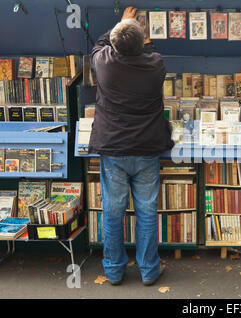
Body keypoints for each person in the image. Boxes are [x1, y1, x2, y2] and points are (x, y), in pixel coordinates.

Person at [89, 6, 174, 286]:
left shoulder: (103, 63)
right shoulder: (156, 64)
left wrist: (122, 22)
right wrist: (136, 31)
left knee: (113, 212)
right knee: (147, 212)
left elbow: (101, 44)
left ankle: (113, 270)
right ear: (143, 43)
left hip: (113, 149)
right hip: (147, 148)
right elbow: (146, 51)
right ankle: (149, 271)